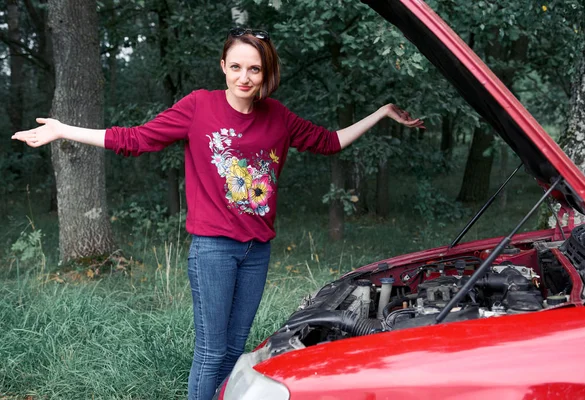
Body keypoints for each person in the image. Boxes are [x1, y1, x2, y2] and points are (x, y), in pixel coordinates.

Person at [12, 28, 425, 400]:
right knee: (210, 353)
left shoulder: (277, 117)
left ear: (266, 73)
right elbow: (135, 139)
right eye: (236, 67)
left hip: (257, 251)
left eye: (254, 69)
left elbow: (330, 142)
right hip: (213, 251)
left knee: (234, 349)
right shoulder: (199, 107)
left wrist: (383, 112)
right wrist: (64, 129)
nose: (244, 78)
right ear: (223, 67)